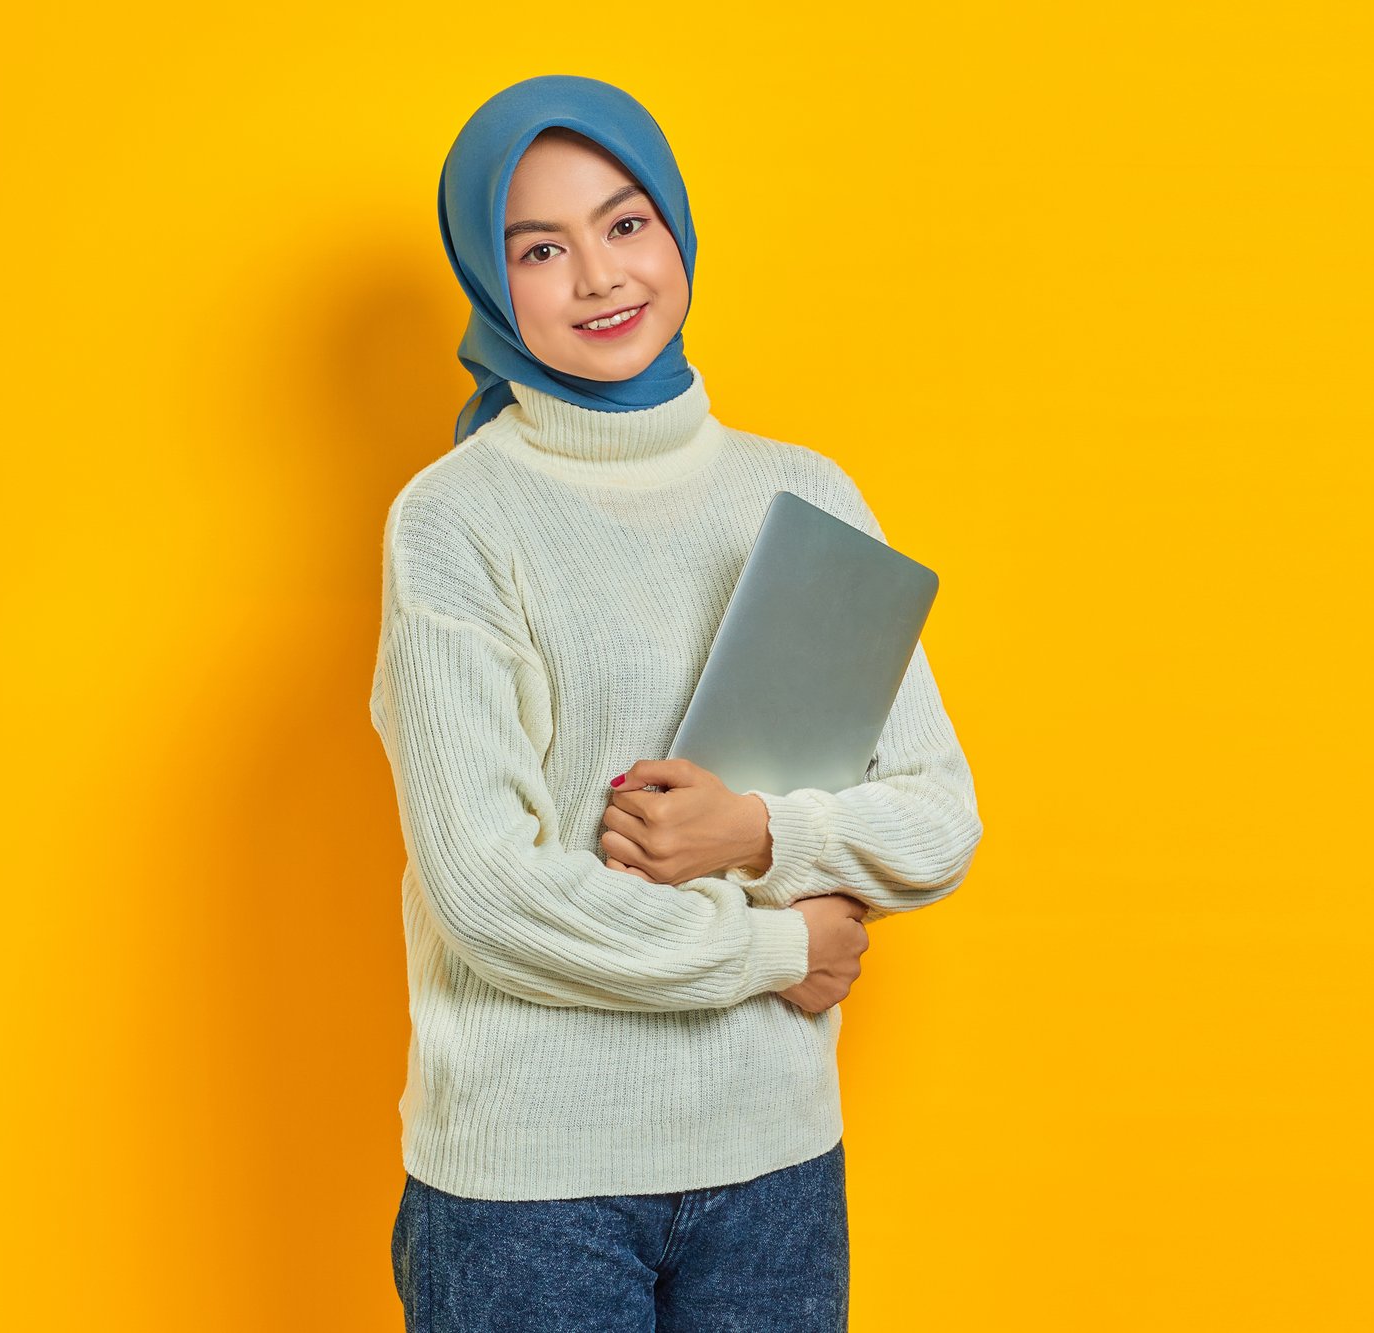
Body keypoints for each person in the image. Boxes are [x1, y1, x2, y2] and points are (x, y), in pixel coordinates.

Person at [371, 74, 983, 1332]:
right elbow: (489, 890)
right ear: (493, 285)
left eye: (625, 223)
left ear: (678, 233)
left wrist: (761, 833)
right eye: (539, 248)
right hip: (529, 1196)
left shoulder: (802, 493)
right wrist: (777, 944)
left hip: (775, 1170)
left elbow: (938, 818)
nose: (597, 276)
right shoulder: (455, 520)